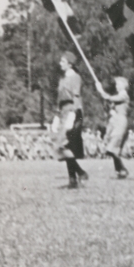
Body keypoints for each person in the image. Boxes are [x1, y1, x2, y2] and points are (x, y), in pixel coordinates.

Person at [53, 52, 90, 188]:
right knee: (65, 146)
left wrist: (73, 115)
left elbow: (76, 97)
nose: (60, 64)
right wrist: (56, 116)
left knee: (62, 145)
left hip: (72, 111)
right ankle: (73, 179)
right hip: (63, 111)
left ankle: (79, 173)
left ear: (70, 63)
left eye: (63, 61)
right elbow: (59, 99)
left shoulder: (75, 77)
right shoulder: (62, 79)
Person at [96, 75, 132, 179]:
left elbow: (108, 97)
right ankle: (120, 171)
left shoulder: (124, 95)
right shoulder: (118, 95)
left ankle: (122, 169)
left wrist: (100, 90)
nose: (116, 86)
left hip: (120, 122)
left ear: (124, 85)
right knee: (110, 149)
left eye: (118, 84)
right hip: (114, 122)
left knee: (111, 149)